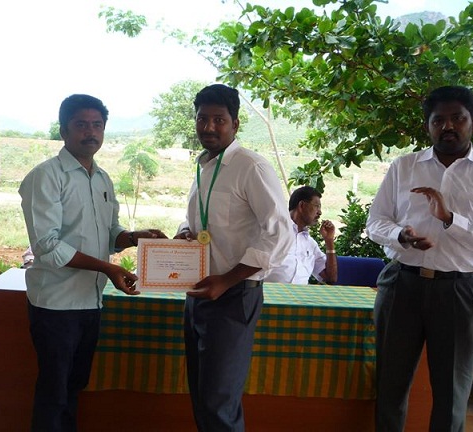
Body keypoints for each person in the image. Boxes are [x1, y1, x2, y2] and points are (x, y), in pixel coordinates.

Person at [18, 94, 167, 432]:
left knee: (74, 386)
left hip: (90, 302)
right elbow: (47, 246)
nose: (91, 132)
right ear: (64, 130)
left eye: (97, 125)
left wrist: (135, 237)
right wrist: (108, 269)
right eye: (81, 125)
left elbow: (109, 235)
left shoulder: (102, 179)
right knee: (54, 392)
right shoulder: (46, 176)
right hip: (56, 305)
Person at [175, 84, 293, 431]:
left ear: (235, 124)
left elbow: (280, 234)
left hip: (233, 296)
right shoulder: (205, 166)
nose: (209, 127)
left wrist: (226, 280)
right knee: (202, 396)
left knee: (219, 403)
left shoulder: (251, 167)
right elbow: (198, 218)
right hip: (198, 292)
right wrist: (185, 232)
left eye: (219, 120)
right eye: (202, 119)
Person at [366, 85, 473, 431]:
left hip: (461, 291)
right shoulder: (404, 167)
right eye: (438, 120)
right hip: (402, 285)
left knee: (452, 394)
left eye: (457, 118)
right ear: (428, 126)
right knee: (390, 386)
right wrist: (400, 236)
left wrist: (450, 219)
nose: (448, 126)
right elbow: (376, 222)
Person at [265, 185, 337, 284]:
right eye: (316, 206)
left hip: (300, 293)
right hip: (271, 292)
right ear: (302, 205)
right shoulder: (274, 231)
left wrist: (329, 241)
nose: (320, 212)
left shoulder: (310, 243)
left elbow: (330, 278)